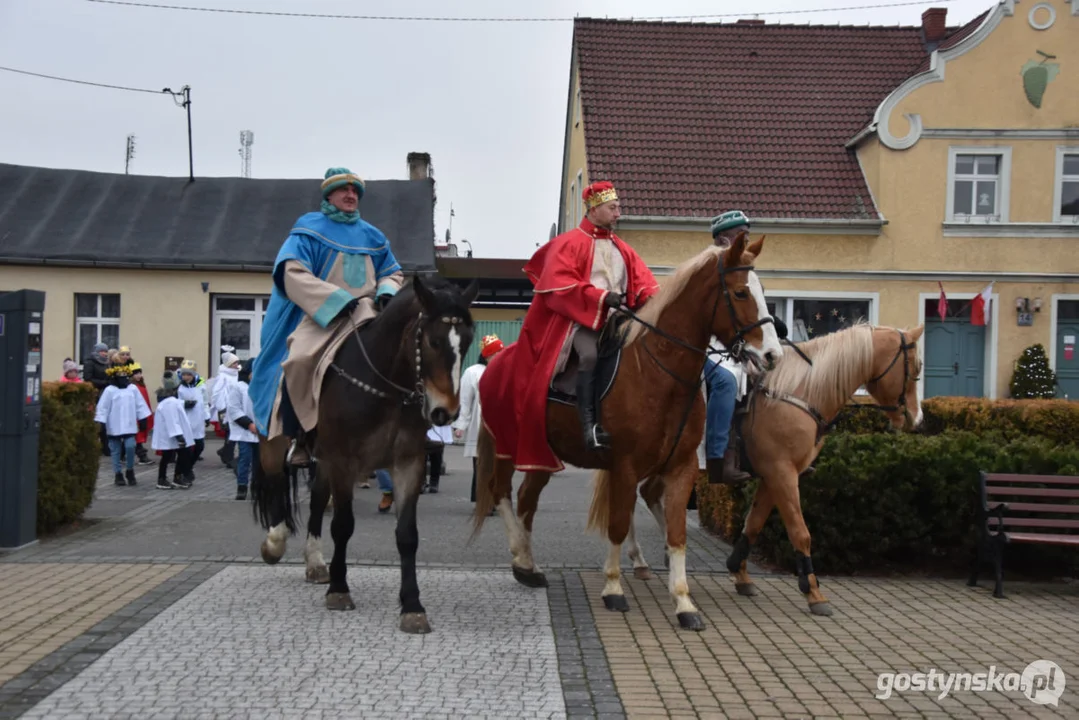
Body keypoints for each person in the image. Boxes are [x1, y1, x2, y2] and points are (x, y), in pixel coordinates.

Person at [479, 181, 659, 471]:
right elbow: (561, 285)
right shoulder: (569, 243)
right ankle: (589, 427)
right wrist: (601, 297)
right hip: (582, 321)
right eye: (613, 208)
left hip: (621, 319)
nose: (618, 214)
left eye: (618, 208)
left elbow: (645, 283)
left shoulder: (623, 249)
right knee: (588, 355)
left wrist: (657, 301)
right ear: (595, 209)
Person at [250, 167, 405, 468]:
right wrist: (333, 300)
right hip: (323, 315)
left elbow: (392, 271)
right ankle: (300, 439)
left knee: (407, 354)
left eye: (355, 192)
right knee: (297, 362)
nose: (351, 196)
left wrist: (386, 292)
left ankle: (407, 430)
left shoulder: (373, 236)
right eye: (344, 191)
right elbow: (291, 271)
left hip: (367, 313)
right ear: (329, 196)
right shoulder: (308, 230)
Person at [702, 210, 790, 484]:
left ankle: (773, 452)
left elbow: (753, 309)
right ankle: (722, 458)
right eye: (741, 234)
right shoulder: (709, 269)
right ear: (722, 239)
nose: (746, 239)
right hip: (711, 344)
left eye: (747, 233)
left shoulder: (748, 271)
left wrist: (773, 324)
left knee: (776, 380)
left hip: (741, 342)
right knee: (729, 380)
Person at [453, 334, 504, 504]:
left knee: (500, 464)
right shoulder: (473, 372)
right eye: (495, 353)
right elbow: (465, 401)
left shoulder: (507, 370)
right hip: (480, 424)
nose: (498, 356)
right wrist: (461, 425)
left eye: (500, 352)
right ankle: (483, 499)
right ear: (486, 355)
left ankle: (496, 498)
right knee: (482, 463)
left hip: (501, 425)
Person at [94, 363, 152, 487]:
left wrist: (142, 419)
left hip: (129, 424)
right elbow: (103, 407)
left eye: (125, 377)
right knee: (115, 450)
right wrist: (101, 422)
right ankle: (118, 473)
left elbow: (140, 404)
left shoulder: (132, 389)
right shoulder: (110, 390)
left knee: (130, 446)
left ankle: (130, 470)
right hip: (114, 425)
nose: (123, 380)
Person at [152, 370, 194, 490]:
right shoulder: (170, 403)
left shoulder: (169, 402)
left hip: (171, 435)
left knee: (174, 456)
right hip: (171, 435)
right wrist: (179, 436)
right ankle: (163, 479)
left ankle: (175, 477)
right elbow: (172, 421)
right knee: (170, 456)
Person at [226, 358, 259, 501]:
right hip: (245, 431)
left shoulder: (261, 386)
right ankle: (242, 486)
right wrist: (249, 424)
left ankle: (257, 488)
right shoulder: (238, 387)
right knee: (245, 458)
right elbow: (234, 409)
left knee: (260, 461)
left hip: (260, 431)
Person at [177, 360, 209, 480]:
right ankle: (184, 472)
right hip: (186, 422)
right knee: (186, 450)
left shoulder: (201, 386)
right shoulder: (179, 388)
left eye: (189, 374)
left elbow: (205, 402)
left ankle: (189, 467)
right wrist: (184, 404)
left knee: (199, 446)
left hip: (198, 422)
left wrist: (207, 416)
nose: (186, 377)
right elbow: (175, 403)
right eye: (184, 374)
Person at [210, 350, 241, 469]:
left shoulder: (236, 374)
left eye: (237, 362)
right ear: (228, 364)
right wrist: (221, 407)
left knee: (232, 433)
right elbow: (216, 392)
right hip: (226, 409)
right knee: (231, 433)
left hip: (235, 407)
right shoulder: (223, 376)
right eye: (234, 363)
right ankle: (228, 456)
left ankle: (225, 452)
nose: (236, 365)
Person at [129, 363, 156, 466]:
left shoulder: (141, 386)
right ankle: (142, 456)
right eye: (135, 373)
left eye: (139, 373)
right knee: (137, 437)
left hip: (142, 415)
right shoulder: (132, 387)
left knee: (135, 437)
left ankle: (124, 454)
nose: (138, 375)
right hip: (136, 416)